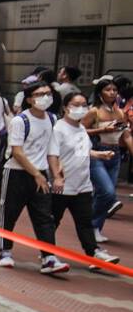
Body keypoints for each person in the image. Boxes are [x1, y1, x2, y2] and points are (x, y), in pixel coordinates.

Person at [0, 80, 68, 274]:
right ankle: (5, 251)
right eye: (39, 94)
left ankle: (49, 257)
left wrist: (56, 174)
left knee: (45, 216)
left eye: (47, 93)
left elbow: (53, 150)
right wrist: (36, 174)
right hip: (16, 173)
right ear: (29, 99)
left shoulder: (53, 119)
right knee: (9, 213)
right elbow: (18, 152)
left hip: (41, 175)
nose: (45, 97)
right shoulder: (21, 121)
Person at [49, 90, 121, 271]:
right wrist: (57, 177)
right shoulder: (58, 129)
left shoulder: (81, 129)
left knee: (85, 222)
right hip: (63, 185)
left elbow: (83, 151)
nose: (80, 109)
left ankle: (94, 253)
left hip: (83, 184)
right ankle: (47, 253)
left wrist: (100, 154)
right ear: (65, 108)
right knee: (52, 220)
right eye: (75, 105)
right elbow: (52, 155)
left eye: (83, 105)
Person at [85, 76, 128, 243]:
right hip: (97, 153)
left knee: (105, 195)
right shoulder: (94, 111)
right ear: (100, 93)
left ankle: (95, 228)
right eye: (108, 90)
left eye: (114, 90)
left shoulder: (120, 112)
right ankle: (91, 225)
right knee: (107, 192)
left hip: (115, 154)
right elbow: (81, 130)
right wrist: (101, 130)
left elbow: (126, 135)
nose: (112, 93)